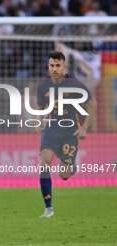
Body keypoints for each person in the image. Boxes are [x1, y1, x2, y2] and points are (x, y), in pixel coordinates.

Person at [35, 51, 97, 218]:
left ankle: (72, 165)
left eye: (57, 66)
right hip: (51, 129)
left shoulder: (75, 84)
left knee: (64, 175)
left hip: (70, 131)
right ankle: (48, 209)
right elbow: (40, 105)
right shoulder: (43, 85)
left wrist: (84, 128)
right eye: (51, 66)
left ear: (64, 67)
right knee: (44, 164)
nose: (54, 69)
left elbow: (92, 103)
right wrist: (38, 120)